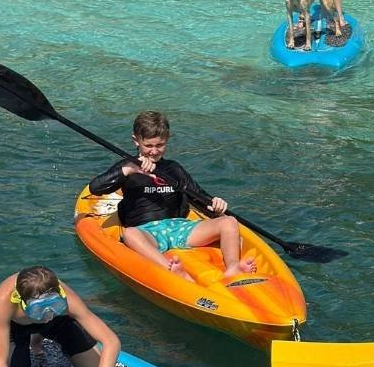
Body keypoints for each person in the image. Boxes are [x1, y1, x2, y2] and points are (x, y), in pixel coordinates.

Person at [81, 111, 257, 281]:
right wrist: (128, 170)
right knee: (130, 234)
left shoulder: (174, 169)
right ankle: (170, 269)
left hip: (179, 228)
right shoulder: (127, 167)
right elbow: (95, 188)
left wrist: (215, 205)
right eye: (148, 145)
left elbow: (201, 199)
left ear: (167, 140)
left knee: (229, 222)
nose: (154, 151)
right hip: (146, 233)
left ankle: (233, 267)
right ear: (136, 141)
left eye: (160, 145)